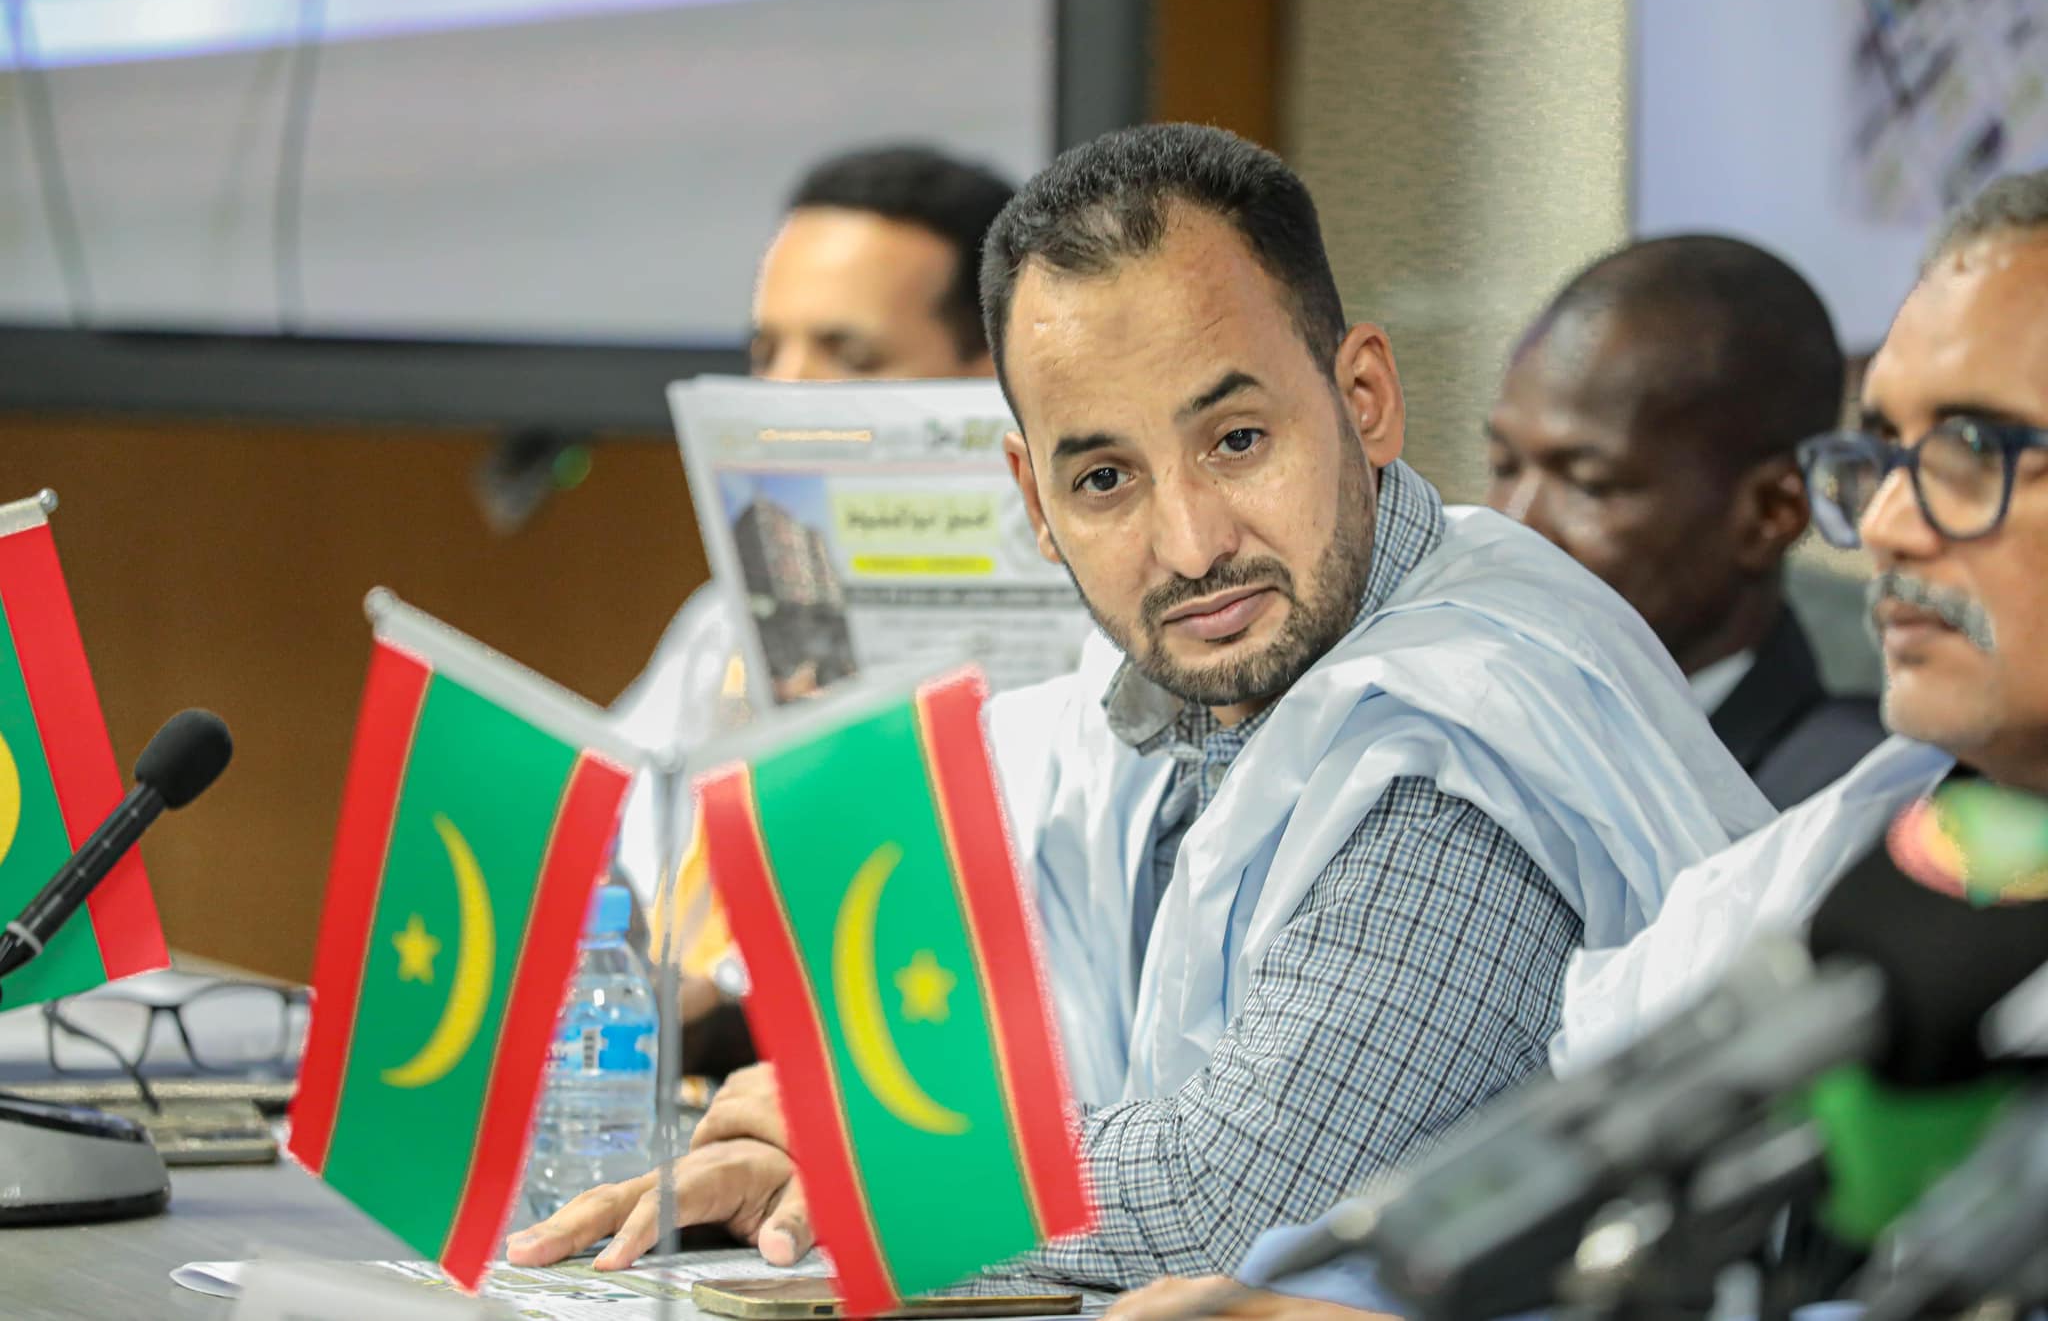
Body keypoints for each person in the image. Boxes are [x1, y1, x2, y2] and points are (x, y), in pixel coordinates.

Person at [509, 123, 1770, 1286]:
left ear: (1364, 399)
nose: (1190, 544)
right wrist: (807, 1176)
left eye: (1236, 440)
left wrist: (880, 1158)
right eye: (1105, 477)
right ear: (1032, 502)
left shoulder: (1461, 724)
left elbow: (1232, 1201)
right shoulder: (1128, 715)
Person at [1109, 166, 2048, 1321]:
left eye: (1972, 450)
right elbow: (1559, 1187)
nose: (1889, 525)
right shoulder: (1849, 860)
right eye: (1885, 453)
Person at [610, 143, 1017, 902]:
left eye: (850, 356)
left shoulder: (1101, 642)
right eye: (767, 352)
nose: (782, 393)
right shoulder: (725, 627)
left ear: (995, 376)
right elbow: (599, 841)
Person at [1485, 236, 1886, 808]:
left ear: (1771, 512)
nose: (1513, 526)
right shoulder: (1455, 737)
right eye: (1504, 466)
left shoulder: (1843, 806)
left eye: (1590, 483)